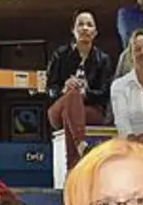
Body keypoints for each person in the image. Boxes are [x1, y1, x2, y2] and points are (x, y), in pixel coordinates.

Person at [46, 10, 115, 171]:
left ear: (95, 32)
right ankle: (81, 145)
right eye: (80, 24)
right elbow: (49, 90)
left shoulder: (103, 59)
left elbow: (105, 94)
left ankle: (73, 164)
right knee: (72, 96)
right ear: (73, 30)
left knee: (71, 113)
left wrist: (86, 92)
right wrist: (64, 89)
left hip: (90, 110)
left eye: (89, 25)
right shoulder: (60, 55)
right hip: (59, 108)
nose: (85, 28)